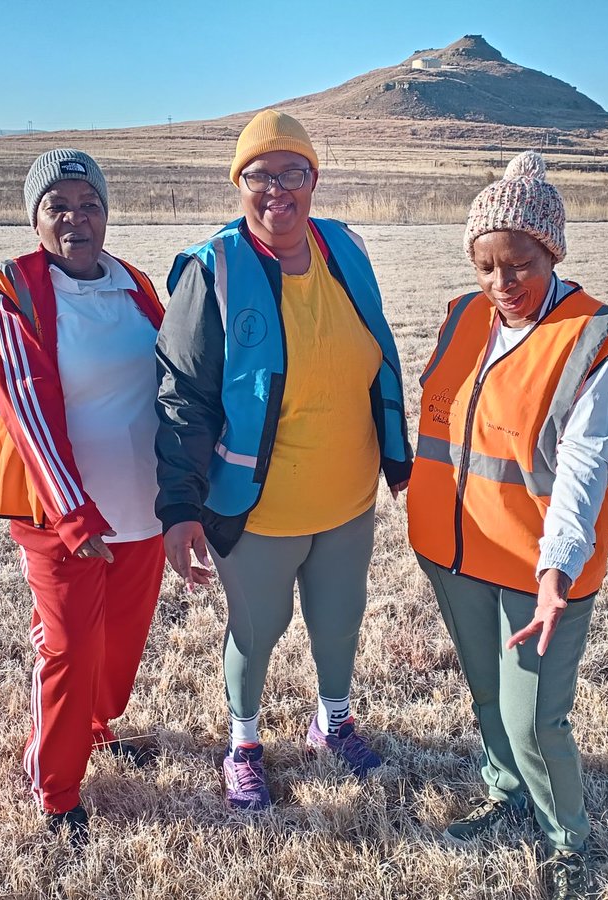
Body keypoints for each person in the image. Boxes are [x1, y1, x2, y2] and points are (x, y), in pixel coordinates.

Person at [406, 151, 608, 899]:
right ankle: (505, 794)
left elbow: (582, 468)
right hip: (455, 553)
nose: (501, 284)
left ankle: (567, 839)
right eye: (485, 266)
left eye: (519, 264)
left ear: (552, 251)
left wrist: (556, 572)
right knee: (489, 697)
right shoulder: (464, 316)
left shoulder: (596, 339)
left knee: (536, 719)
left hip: (539, 566)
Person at [154, 109, 413, 810]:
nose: (278, 190)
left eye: (292, 172)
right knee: (257, 630)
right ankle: (243, 743)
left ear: (313, 180)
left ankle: (333, 723)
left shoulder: (345, 250)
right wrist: (180, 507)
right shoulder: (214, 270)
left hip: (348, 500)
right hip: (258, 506)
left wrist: (397, 457)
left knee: (340, 621)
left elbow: (376, 360)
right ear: (239, 183)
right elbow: (182, 398)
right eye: (260, 175)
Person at [0, 149, 166, 843]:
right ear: (36, 219)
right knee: (72, 647)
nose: (78, 218)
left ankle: (99, 731)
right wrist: (75, 515)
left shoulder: (133, 284)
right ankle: (56, 786)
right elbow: (26, 406)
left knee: (122, 644)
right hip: (61, 515)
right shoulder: (7, 292)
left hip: (142, 507)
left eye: (90, 203)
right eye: (59, 206)